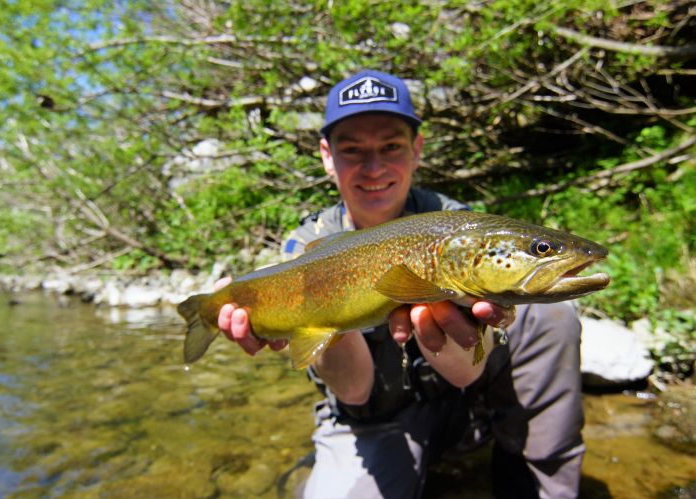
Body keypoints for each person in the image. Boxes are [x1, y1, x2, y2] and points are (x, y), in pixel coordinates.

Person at [216, 70, 585, 499]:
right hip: (372, 418)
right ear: (326, 156)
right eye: (353, 150)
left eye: (390, 146)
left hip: (465, 401)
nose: (374, 168)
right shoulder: (305, 249)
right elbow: (354, 391)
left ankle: (536, 483)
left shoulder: (453, 223)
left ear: (416, 149)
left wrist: (453, 338)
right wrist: (319, 315)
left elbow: (467, 371)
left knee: (553, 315)